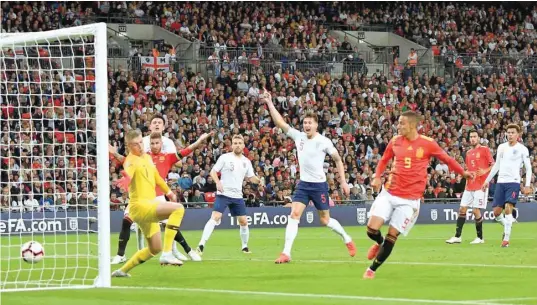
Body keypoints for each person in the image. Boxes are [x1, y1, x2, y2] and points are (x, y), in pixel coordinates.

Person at [364, 111, 473, 279]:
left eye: (401, 123)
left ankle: (371, 270)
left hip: (410, 200)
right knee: (371, 229)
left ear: (412, 125)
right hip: (389, 192)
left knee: (392, 234)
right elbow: (384, 160)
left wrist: (463, 172)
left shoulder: (428, 144)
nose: (398, 126)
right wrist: (377, 176)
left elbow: (447, 160)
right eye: (398, 123)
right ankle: (379, 243)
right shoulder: (395, 141)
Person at [260, 91, 356, 264]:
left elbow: (337, 160)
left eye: (309, 123)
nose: (306, 125)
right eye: (304, 122)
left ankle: (346, 238)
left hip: (319, 185)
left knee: (325, 220)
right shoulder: (299, 137)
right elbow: (279, 123)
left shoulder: (324, 141)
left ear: (316, 125)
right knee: (294, 214)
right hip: (304, 185)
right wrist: (269, 102)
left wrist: (343, 182)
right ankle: (286, 253)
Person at [110, 113, 209, 264]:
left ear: (161, 144)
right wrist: (114, 154)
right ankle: (120, 254)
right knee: (126, 220)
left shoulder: (167, 157)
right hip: (140, 196)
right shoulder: (143, 156)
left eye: (157, 143)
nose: (155, 145)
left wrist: (199, 142)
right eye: (153, 143)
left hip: (157, 196)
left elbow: (185, 152)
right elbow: (126, 161)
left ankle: (187, 250)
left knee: (169, 225)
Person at [111, 130, 186, 277]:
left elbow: (157, 177)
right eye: (135, 144)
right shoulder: (131, 160)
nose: (140, 146)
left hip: (146, 207)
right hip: (140, 206)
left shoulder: (146, 157)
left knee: (154, 248)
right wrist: (126, 180)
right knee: (178, 209)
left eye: (141, 142)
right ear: (128, 146)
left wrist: (169, 192)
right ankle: (167, 253)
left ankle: (122, 271)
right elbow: (128, 173)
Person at [196, 134, 261, 254]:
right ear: (231, 145)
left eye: (239, 143)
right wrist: (217, 183)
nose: (237, 145)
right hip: (223, 194)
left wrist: (258, 180)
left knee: (243, 221)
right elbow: (213, 172)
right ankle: (201, 245)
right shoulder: (225, 158)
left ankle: (245, 246)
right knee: (215, 217)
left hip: (237, 196)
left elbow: (251, 177)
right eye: (235, 143)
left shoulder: (246, 162)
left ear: (243, 145)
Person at [482, 124, 532, 247]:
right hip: (501, 182)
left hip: (513, 182)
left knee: (508, 207)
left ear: (518, 134)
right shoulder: (501, 147)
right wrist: (487, 180)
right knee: (496, 212)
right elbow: (496, 165)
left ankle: (506, 238)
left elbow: (529, 168)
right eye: (508, 132)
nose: (510, 135)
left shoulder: (522, 149)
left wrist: (526, 185)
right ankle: (507, 226)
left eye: (512, 132)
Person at [446, 130, 494, 244]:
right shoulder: (468, 153)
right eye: (471, 137)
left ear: (479, 138)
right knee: (462, 209)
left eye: (474, 136)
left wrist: (485, 170)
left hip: (481, 185)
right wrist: (463, 176)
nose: (472, 138)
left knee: (475, 210)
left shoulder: (484, 149)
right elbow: (468, 169)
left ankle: (480, 238)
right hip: (469, 185)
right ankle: (457, 237)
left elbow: (493, 164)